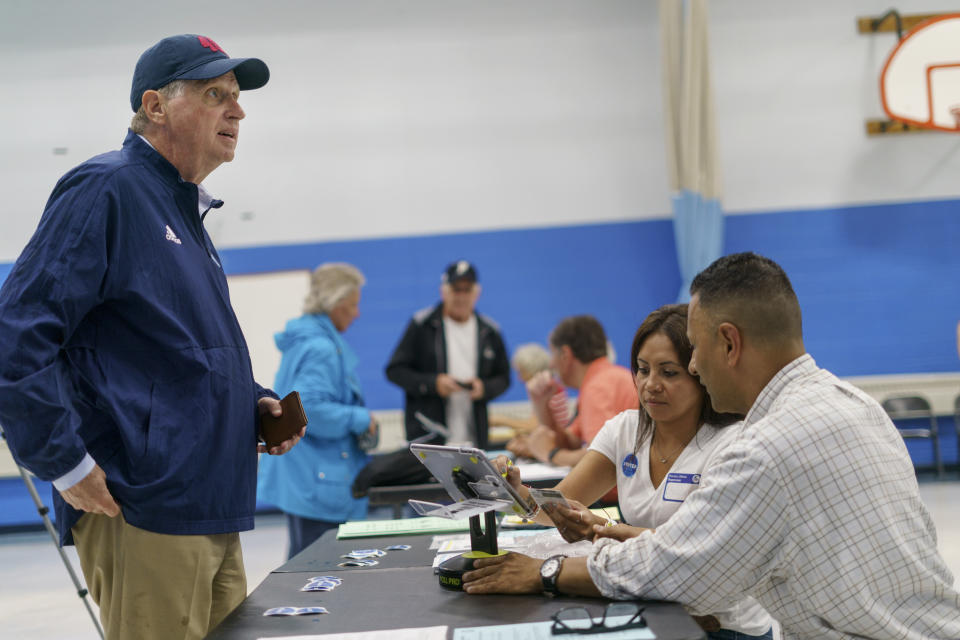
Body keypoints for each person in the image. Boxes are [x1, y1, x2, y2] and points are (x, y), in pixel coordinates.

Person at [463, 252, 960, 640]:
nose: (693, 366)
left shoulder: (764, 445)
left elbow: (680, 571)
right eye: (643, 369)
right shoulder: (854, 403)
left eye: (691, 353)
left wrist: (547, 572)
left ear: (729, 343)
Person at [0, 35, 305, 640]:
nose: (237, 112)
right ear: (156, 106)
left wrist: (253, 403)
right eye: (216, 95)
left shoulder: (184, 212)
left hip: (210, 502)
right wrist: (63, 462)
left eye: (237, 99)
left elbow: (178, 353)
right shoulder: (107, 190)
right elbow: (16, 337)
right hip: (144, 504)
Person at [496, 304, 772, 639]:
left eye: (669, 373)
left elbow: (694, 554)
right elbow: (556, 506)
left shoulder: (733, 446)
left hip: (722, 625)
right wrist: (512, 489)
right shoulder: (625, 430)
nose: (651, 385)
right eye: (643, 370)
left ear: (700, 374)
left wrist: (605, 528)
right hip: (651, 604)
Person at [257, 263, 378, 559]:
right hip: (319, 480)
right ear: (335, 304)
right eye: (352, 306)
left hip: (304, 476)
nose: (357, 314)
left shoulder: (303, 340)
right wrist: (361, 418)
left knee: (303, 570)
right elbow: (310, 409)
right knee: (321, 576)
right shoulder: (322, 348)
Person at [385, 260, 510, 449]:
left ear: (477, 293)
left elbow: (504, 378)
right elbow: (395, 371)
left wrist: (484, 388)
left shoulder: (490, 331)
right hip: (429, 437)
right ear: (444, 291)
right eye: (455, 289)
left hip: (475, 437)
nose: (461, 296)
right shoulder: (422, 325)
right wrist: (433, 384)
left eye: (466, 290)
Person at [508, 315, 637, 470]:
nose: (551, 363)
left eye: (552, 353)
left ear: (565, 355)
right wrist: (541, 405)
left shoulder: (597, 387)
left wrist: (551, 454)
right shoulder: (605, 378)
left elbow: (601, 458)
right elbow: (570, 444)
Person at [489, 343, 569, 435]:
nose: (520, 378)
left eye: (521, 372)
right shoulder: (553, 385)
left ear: (530, 369)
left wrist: (500, 420)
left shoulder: (547, 388)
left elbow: (534, 426)